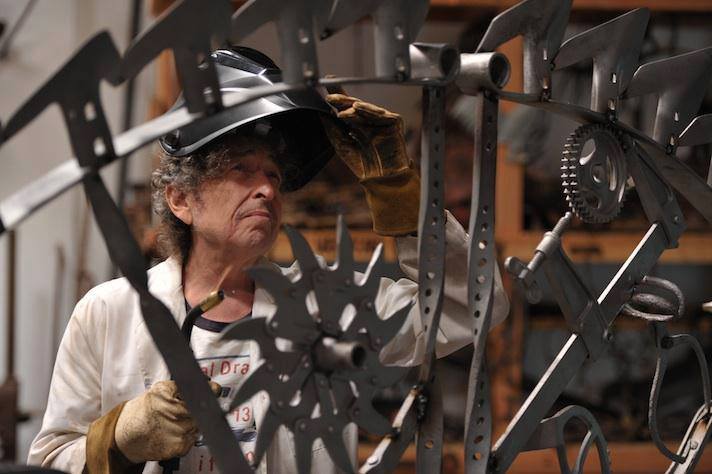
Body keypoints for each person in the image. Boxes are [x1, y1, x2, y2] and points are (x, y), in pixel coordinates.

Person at [27, 46, 509, 473]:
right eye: (241, 170)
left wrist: (399, 193)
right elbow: (50, 460)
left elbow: (471, 306)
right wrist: (118, 438)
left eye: (274, 176)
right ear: (181, 199)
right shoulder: (107, 312)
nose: (266, 189)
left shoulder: (327, 304)